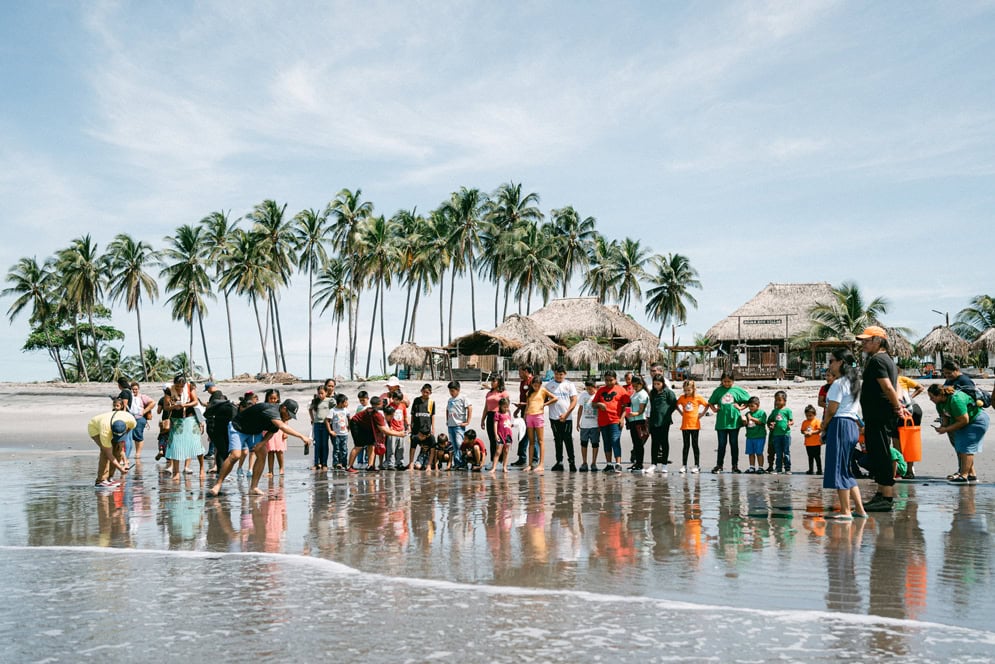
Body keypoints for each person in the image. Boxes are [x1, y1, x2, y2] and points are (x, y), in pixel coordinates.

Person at [208, 398, 312, 496]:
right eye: (289, 414)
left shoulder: (279, 416)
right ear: (284, 408)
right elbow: (282, 427)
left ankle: (254, 487)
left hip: (254, 432)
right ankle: (218, 485)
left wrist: (262, 444)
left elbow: (272, 431)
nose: (289, 417)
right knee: (236, 455)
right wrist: (302, 436)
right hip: (238, 427)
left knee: (262, 453)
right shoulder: (271, 410)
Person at [857, 326, 910, 512]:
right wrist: (899, 405)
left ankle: (886, 496)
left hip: (879, 414)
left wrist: (898, 407)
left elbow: (888, 387)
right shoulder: (886, 360)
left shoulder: (878, 360)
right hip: (879, 414)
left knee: (881, 452)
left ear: (878, 341)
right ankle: (881, 492)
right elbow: (895, 386)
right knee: (878, 451)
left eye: (866, 340)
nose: (863, 344)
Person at [821, 348, 866, 519]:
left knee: (839, 469)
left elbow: (831, 410)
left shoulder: (838, 384)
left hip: (840, 424)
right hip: (851, 425)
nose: (829, 364)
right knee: (846, 469)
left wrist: (824, 426)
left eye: (831, 361)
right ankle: (860, 510)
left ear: (840, 362)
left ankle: (846, 511)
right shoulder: (854, 382)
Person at [928, 384, 988, 484]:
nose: (930, 399)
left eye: (932, 397)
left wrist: (946, 429)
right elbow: (944, 416)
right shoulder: (939, 403)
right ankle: (972, 475)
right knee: (960, 446)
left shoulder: (955, 400)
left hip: (976, 421)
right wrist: (943, 426)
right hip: (962, 421)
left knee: (966, 448)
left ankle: (963, 476)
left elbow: (964, 420)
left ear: (941, 395)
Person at [707, 372, 751, 473]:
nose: (726, 383)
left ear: (733, 381)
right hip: (721, 423)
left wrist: (740, 407)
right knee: (721, 444)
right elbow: (710, 402)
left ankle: (735, 466)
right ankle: (719, 465)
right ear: (721, 381)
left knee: (734, 444)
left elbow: (749, 401)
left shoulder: (737, 390)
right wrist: (713, 409)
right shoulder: (718, 391)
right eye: (724, 381)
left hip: (734, 422)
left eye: (729, 382)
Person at [88, 398, 135, 487]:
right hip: (95, 428)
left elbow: (129, 429)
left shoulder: (131, 420)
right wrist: (120, 468)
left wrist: (125, 462)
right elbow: (109, 454)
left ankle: (110, 478)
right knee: (105, 452)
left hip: (113, 425)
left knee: (117, 449)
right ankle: (101, 480)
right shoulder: (105, 431)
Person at [166, 375, 205, 478]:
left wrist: (185, 405)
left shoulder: (189, 387)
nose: (179, 388)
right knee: (175, 445)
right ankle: (176, 472)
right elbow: (166, 407)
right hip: (176, 420)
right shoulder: (169, 390)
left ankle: (202, 468)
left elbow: (195, 401)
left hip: (190, 419)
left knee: (196, 445)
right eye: (177, 386)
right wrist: (174, 406)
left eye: (181, 386)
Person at [592, 370, 629, 474]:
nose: (608, 382)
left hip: (615, 420)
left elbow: (628, 406)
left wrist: (622, 419)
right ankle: (609, 464)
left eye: (611, 380)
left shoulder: (621, 390)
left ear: (615, 379)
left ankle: (618, 464)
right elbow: (593, 404)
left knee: (615, 441)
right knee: (606, 442)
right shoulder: (600, 390)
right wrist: (599, 404)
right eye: (606, 380)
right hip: (603, 421)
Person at [544, 365, 579, 472]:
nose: (558, 376)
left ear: (565, 374)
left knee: (568, 440)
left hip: (567, 418)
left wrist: (566, 414)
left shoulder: (569, 385)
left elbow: (574, 400)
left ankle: (572, 462)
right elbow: (543, 399)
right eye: (556, 374)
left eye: (561, 374)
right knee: (557, 440)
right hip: (554, 417)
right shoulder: (549, 385)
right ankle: (559, 462)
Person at [347, 396, 394, 473]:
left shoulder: (377, 410)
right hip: (356, 424)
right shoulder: (376, 413)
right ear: (379, 404)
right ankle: (349, 466)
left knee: (371, 445)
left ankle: (370, 466)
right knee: (358, 446)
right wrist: (400, 434)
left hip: (367, 426)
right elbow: (384, 430)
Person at [521, 375, 557, 473]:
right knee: (531, 442)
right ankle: (530, 464)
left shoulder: (543, 391)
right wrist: (524, 418)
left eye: (538, 385)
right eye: (534, 385)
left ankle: (541, 464)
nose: (536, 387)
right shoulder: (529, 393)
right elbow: (527, 406)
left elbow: (554, 398)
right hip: (529, 416)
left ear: (541, 385)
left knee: (540, 441)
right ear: (532, 385)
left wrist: (545, 404)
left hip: (538, 417)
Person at [896, 369, 925, 478]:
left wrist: (910, 397)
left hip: (905, 409)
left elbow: (920, 387)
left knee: (897, 440)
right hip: (912, 407)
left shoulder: (891, 380)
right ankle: (908, 469)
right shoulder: (896, 380)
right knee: (910, 439)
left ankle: (903, 469)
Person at [676, 380, 709, 473]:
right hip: (685, 425)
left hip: (695, 425)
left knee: (695, 445)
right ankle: (684, 465)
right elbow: (676, 405)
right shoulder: (682, 398)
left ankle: (697, 465)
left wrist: (702, 414)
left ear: (693, 389)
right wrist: (681, 412)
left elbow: (707, 405)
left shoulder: (697, 398)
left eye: (688, 390)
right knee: (686, 445)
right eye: (685, 390)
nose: (687, 392)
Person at [647, 375, 677, 474]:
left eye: (658, 384)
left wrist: (667, 413)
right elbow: (650, 405)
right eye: (654, 384)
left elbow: (673, 404)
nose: (656, 386)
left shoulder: (668, 392)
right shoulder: (652, 393)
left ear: (663, 383)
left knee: (664, 442)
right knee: (654, 442)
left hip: (664, 421)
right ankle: (653, 464)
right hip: (654, 420)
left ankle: (664, 464)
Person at [204, 388, 237, 471]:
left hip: (214, 429)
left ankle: (220, 471)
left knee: (220, 450)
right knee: (223, 451)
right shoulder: (230, 406)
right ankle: (222, 471)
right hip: (224, 429)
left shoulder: (213, 405)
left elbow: (206, 416)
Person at [481, 375, 509, 467]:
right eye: (491, 381)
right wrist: (482, 419)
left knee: (499, 439)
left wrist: (508, 420)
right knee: (492, 439)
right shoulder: (489, 393)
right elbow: (486, 407)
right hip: (490, 416)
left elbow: (507, 407)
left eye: (494, 381)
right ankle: (493, 460)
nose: (492, 383)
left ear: (499, 382)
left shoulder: (504, 393)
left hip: (500, 417)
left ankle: (500, 461)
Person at [624, 375, 650, 472]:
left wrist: (632, 413)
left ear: (641, 384)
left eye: (636, 386)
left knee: (639, 443)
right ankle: (637, 462)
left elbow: (641, 410)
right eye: (633, 386)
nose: (634, 388)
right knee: (635, 443)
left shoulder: (642, 394)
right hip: (633, 420)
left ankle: (640, 463)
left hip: (640, 420)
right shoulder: (636, 393)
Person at [511, 365, 535, 467]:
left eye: (520, 372)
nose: (519, 374)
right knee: (522, 433)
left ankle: (534, 458)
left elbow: (534, 399)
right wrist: (518, 408)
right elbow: (523, 398)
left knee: (533, 436)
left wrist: (522, 405)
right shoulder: (522, 382)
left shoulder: (533, 381)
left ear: (526, 371)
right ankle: (522, 458)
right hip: (523, 411)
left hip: (532, 411)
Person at [446, 381, 473, 469]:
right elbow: (447, 410)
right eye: (450, 391)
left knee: (459, 443)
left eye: (453, 391)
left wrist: (468, 421)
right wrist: (447, 420)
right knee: (453, 444)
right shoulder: (450, 399)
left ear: (458, 390)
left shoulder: (463, 398)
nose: (451, 393)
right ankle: (457, 463)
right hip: (451, 425)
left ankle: (463, 463)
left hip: (459, 425)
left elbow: (469, 407)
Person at [409, 384, 436, 470]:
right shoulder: (416, 400)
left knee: (428, 446)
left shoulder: (431, 402)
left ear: (430, 393)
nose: (425, 394)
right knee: (413, 445)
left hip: (427, 428)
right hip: (416, 428)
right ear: (421, 391)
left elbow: (432, 415)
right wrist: (410, 425)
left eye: (427, 392)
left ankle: (428, 463)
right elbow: (413, 414)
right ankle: (411, 463)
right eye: (424, 392)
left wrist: (433, 428)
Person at [766, 390, 794, 474]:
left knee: (786, 452)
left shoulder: (787, 411)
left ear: (784, 401)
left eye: (779, 400)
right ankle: (778, 468)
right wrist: (771, 425)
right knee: (778, 453)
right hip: (776, 435)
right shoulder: (774, 411)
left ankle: (787, 468)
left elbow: (792, 421)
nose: (777, 402)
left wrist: (790, 423)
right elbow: (769, 421)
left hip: (785, 434)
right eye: (776, 400)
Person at [576, 379, 600, 472]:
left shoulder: (598, 395)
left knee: (595, 444)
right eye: (587, 389)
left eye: (591, 389)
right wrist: (578, 422)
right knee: (584, 444)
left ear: (595, 388)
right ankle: (584, 462)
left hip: (595, 424)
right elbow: (580, 409)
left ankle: (594, 462)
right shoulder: (583, 395)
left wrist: (600, 424)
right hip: (585, 425)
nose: (589, 391)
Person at [263, 389, 287, 477]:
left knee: (279, 451)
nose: (273, 400)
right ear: (267, 398)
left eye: (275, 398)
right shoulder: (265, 407)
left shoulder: (280, 407)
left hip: (279, 431)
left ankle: (281, 468)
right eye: (271, 398)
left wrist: (285, 432)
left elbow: (285, 419)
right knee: (270, 451)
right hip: (267, 431)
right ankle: (270, 471)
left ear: (278, 398)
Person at [128, 381, 155, 460]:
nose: (134, 391)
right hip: (129, 418)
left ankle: (138, 453)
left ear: (138, 389)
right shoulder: (129, 397)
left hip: (139, 418)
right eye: (133, 389)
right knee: (129, 436)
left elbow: (153, 402)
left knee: (138, 436)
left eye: (136, 389)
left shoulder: (142, 397)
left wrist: (144, 411)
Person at [309, 385, 332, 470]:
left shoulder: (330, 401)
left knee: (324, 444)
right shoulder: (315, 401)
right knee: (317, 444)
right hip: (317, 424)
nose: (320, 395)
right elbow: (310, 409)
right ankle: (316, 463)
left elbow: (334, 409)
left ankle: (324, 463)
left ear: (326, 393)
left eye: (322, 393)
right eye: (319, 393)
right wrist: (312, 419)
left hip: (326, 425)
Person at [743, 397, 767, 474]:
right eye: (749, 406)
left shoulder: (761, 413)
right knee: (751, 453)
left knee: (759, 452)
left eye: (752, 406)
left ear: (758, 405)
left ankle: (761, 467)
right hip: (750, 436)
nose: (751, 408)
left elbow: (761, 422)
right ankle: (752, 467)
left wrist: (751, 418)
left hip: (759, 436)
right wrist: (744, 421)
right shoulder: (747, 413)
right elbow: (745, 424)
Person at [385, 392, 409, 470]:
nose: (397, 402)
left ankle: (399, 463)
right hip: (393, 430)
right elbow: (387, 418)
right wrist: (389, 426)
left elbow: (405, 417)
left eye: (399, 400)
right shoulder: (390, 406)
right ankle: (390, 463)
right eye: (396, 400)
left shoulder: (402, 406)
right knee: (391, 448)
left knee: (400, 448)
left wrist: (407, 426)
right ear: (393, 398)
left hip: (401, 429)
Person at [328, 393, 351, 470]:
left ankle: (344, 463)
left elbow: (349, 417)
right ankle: (336, 463)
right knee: (336, 449)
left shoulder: (345, 410)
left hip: (344, 433)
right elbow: (327, 421)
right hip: (336, 434)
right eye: (345, 402)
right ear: (341, 402)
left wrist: (349, 426)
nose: (346, 404)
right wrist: (330, 431)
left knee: (344, 449)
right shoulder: (333, 410)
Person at [491, 397, 514, 473]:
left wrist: (512, 425)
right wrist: (496, 434)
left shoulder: (508, 413)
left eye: (507, 407)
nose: (506, 408)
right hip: (500, 434)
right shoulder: (497, 414)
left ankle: (504, 467)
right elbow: (495, 424)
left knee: (506, 451)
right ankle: (494, 467)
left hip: (508, 434)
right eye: (504, 407)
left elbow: (509, 422)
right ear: (500, 406)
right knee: (498, 451)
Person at [801, 404, 823, 475]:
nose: (808, 417)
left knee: (817, 457)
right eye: (807, 416)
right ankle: (811, 469)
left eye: (810, 415)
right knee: (810, 457)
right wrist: (805, 432)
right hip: (808, 443)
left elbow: (819, 430)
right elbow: (802, 430)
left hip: (816, 443)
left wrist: (812, 432)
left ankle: (819, 470)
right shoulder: (805, 422)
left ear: (814, 414)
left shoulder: (817, 421)